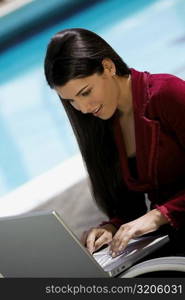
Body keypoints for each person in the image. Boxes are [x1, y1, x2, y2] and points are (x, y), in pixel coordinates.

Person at [44, 28, 185, 258]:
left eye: (86, 92)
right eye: (71, 101)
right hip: (169, 239)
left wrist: (159, 215)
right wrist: (111, 227)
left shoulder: (168, 93)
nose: (84, 108)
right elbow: (129, 207)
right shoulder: (102, 121)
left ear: (108, 67)